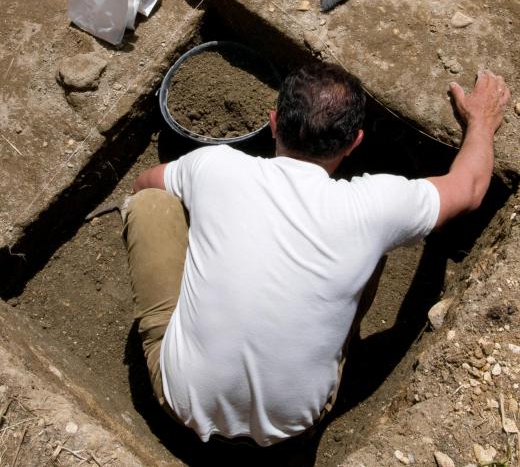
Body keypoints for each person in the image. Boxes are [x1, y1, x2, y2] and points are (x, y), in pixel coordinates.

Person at [124, 63, 510, 446]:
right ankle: (338, 345)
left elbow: (148, 184)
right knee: (376, 245)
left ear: (274, 123)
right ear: (355, 142)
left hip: (182, 402)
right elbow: (471, 187)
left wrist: (210, 217)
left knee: (149, 205)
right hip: (291, 425)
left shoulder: (216, 165)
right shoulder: (376, 207)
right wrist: (481, 122)